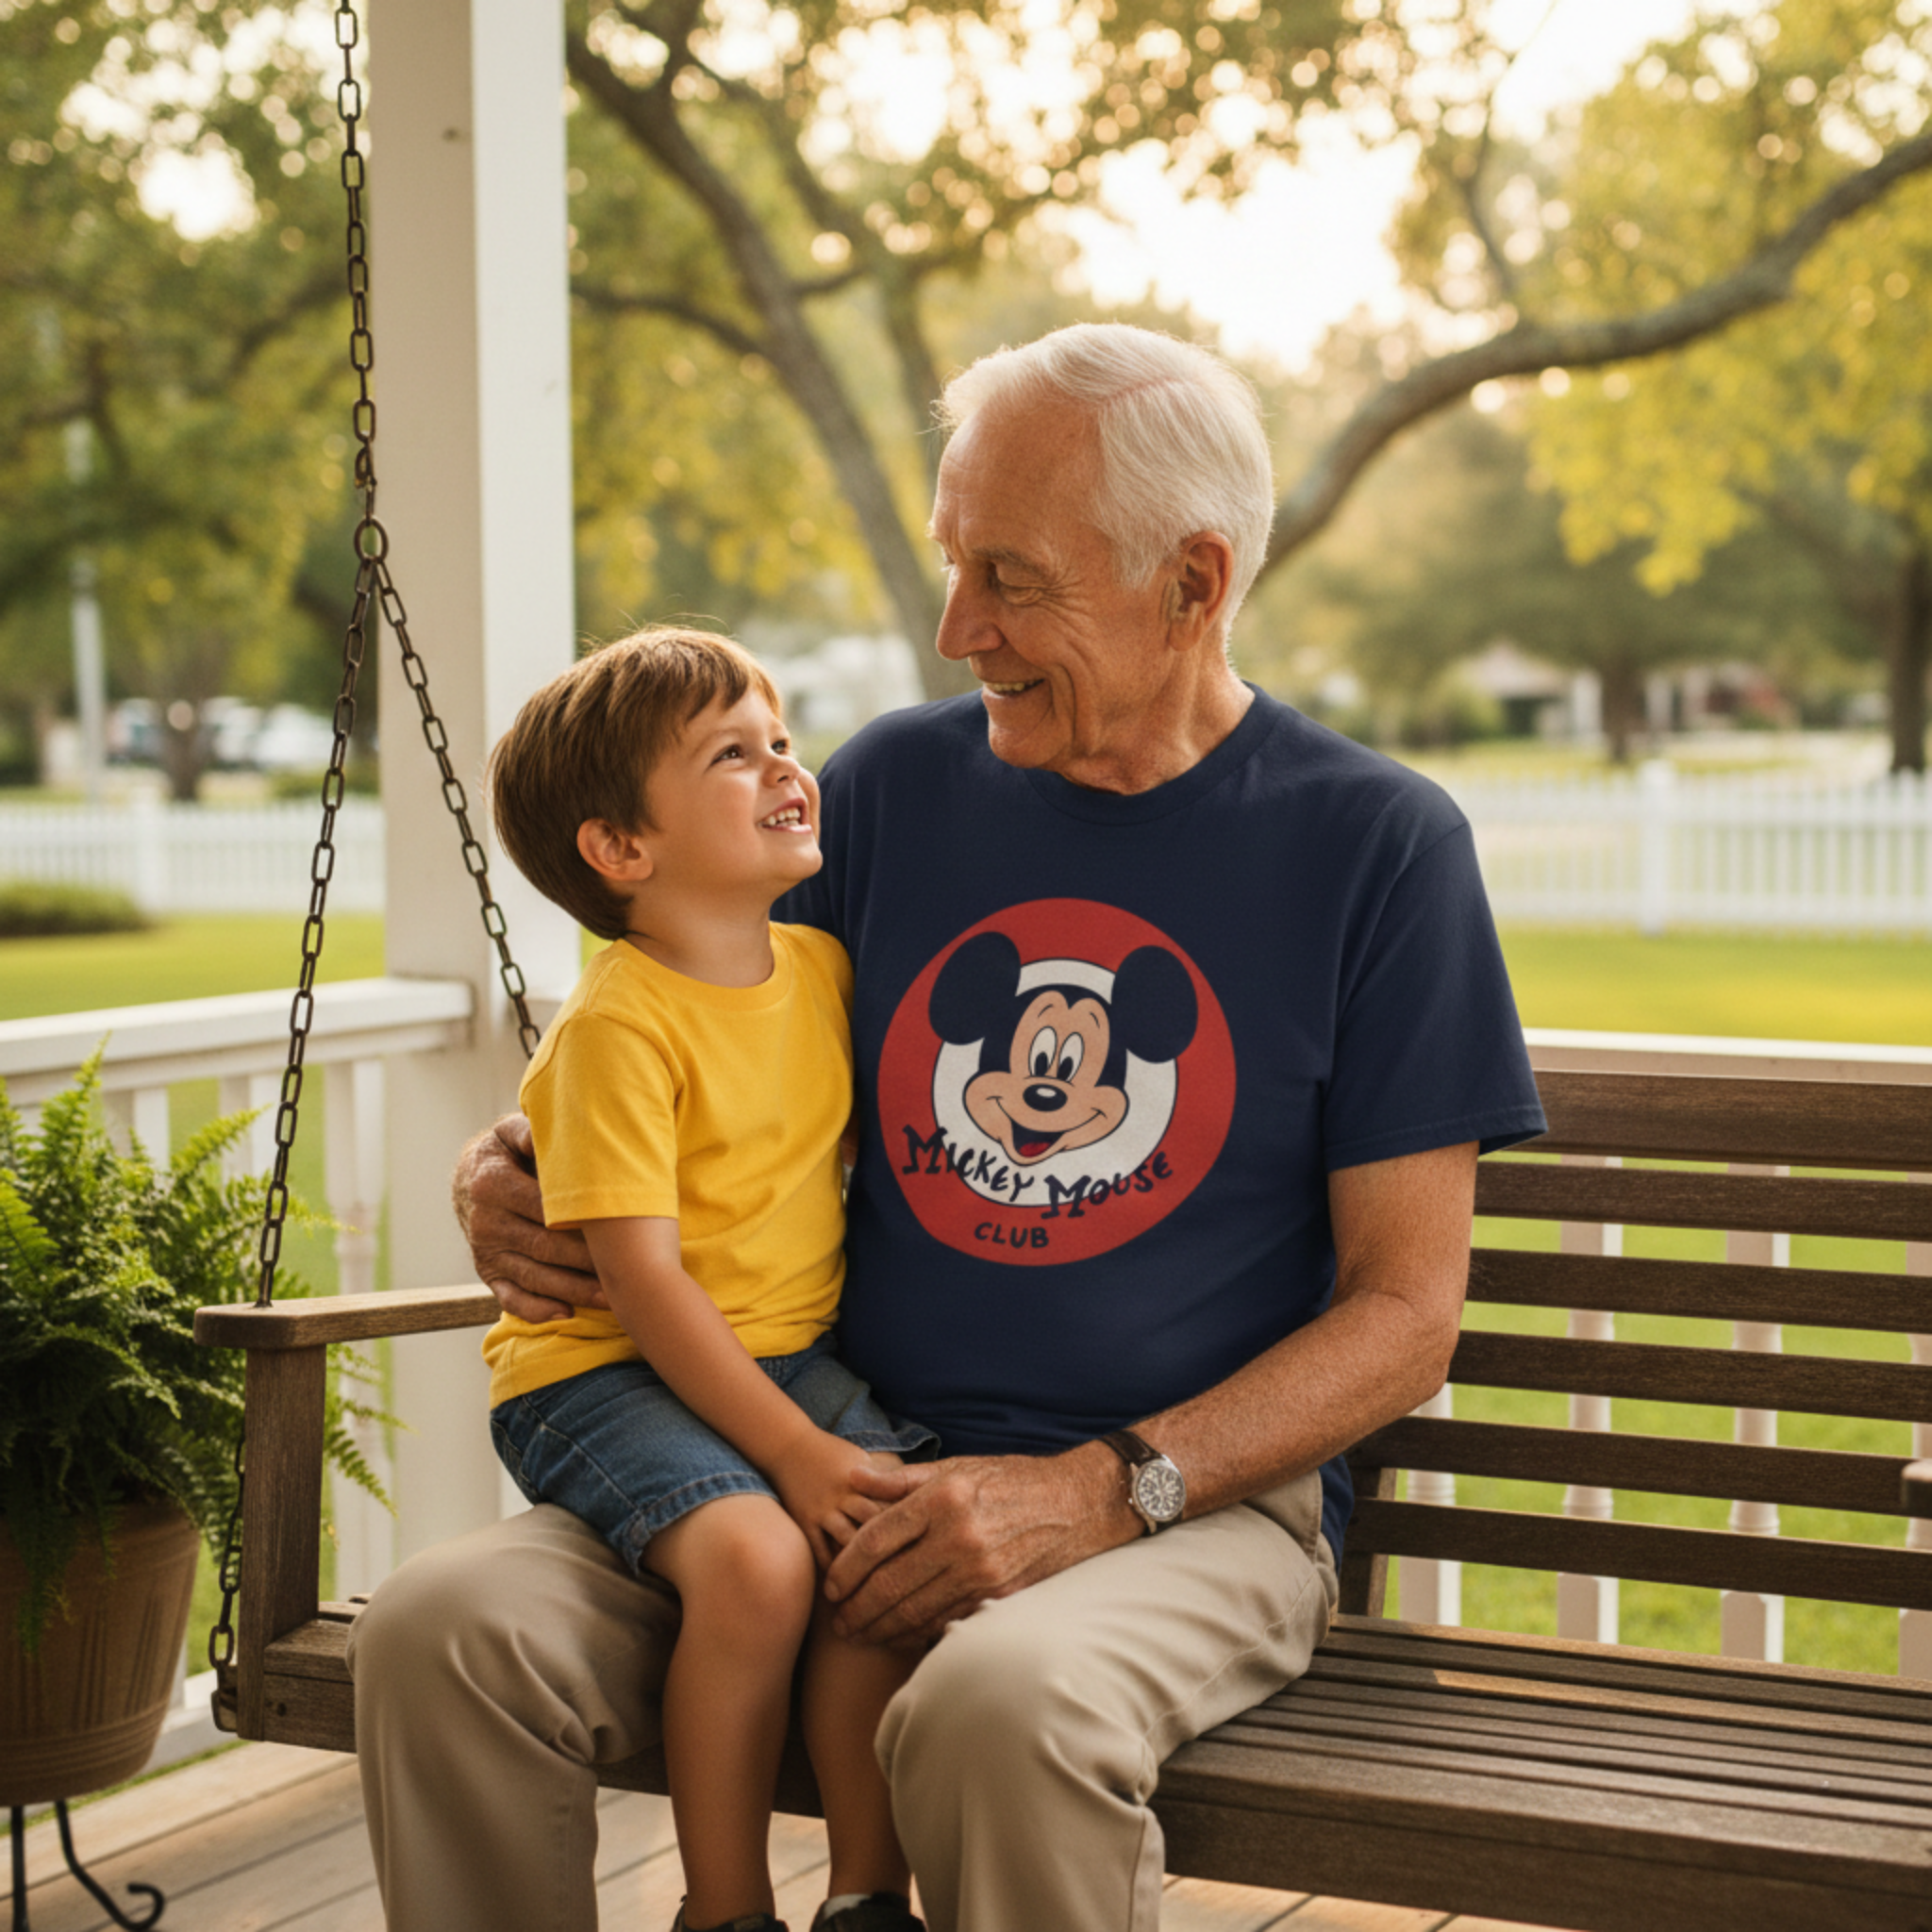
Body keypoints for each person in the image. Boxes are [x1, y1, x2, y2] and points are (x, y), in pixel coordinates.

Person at [346, 323, 1547, 1932]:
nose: (955, 626)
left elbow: (1406, 1316)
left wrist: (1102, 1490)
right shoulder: (897, 790)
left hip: (1179, 1511)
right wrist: (509, 1162)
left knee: (998, 1708)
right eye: (951, 564)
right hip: (806, 1456)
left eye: (1010, 576)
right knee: (440, 1634)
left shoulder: (1376, 845)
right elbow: (702, 1047)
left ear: (1193, 583)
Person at [479, 628, 935, 1932]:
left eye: (780, 739)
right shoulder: (618, 1029)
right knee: (754, 1562)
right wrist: (792, 1451)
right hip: (601, 1368)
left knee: (881, 1545)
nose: (785, 767)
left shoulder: (823, 974)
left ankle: (866, 1896)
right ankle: (724, 1909)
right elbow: (646, 1287)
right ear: (621, 850)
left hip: (782, 1354)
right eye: (732, 756)